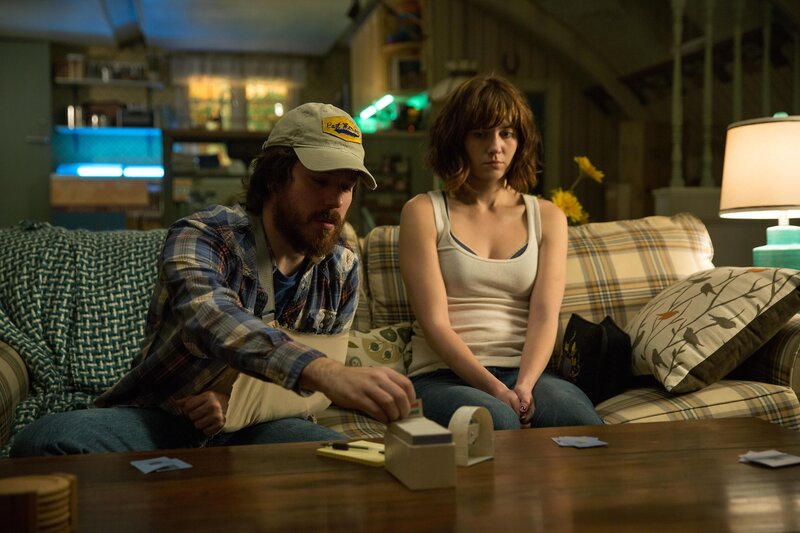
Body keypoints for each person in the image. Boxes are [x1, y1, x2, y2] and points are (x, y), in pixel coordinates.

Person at [12, 103, 416, 456]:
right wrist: (326, 372)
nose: (335, 200)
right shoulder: (203, 235)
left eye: (346, 186)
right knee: (46, 440)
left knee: (336, 463)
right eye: (319, 181)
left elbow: (313, 399)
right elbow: (211, 318)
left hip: (261, 426)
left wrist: (234, 406)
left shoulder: (341, 266)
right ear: (275, 178)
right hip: (163, 420)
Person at [398, 76, 602, 430]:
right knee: (498, 420)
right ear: (458, 139)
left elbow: (544, 315)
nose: (495, 146)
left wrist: (524, 386)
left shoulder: (548, 217)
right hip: (442, 376)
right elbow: (434, 324)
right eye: (480, 134)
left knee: (579, 421)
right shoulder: (423, 212)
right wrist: (495, 389)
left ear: (520, 140)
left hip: (526, 373)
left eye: (506, 133)